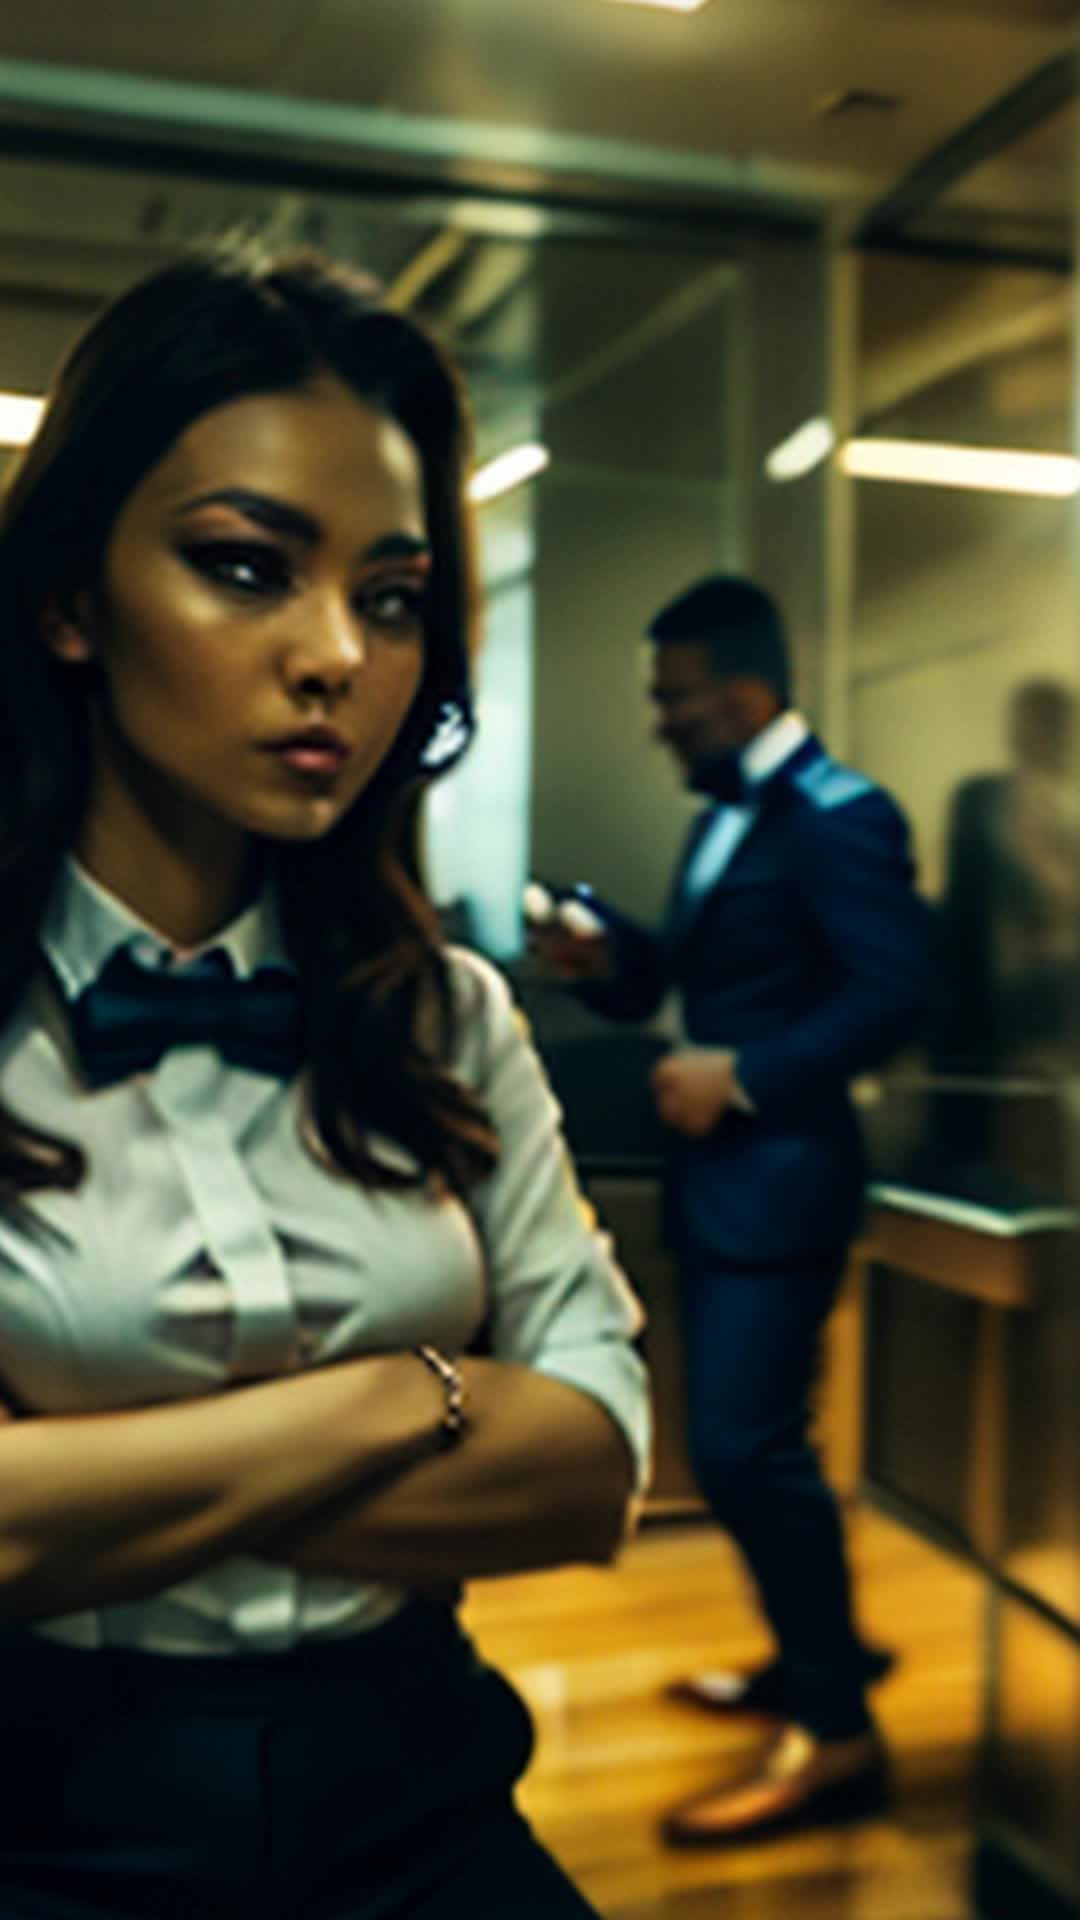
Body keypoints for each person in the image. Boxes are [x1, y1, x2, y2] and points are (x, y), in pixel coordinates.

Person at [0, 248, 650, 1919]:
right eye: (245, 568)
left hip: (420, 1786)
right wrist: (408, 1394)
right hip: (43, 1813)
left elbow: (591, 1463)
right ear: (69, 598)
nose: (338, 659)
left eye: (392, 595)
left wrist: (88, 1478)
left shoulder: (447, 1016)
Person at [535, 575, 931, 1846]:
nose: (661, 723)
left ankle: (838, 1735)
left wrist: (747, 1076)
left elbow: (892, 996)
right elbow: (722, 977)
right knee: (750, 1451)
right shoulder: (733, 813)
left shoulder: (837, 814)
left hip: (782, 1187)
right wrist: (614, 966)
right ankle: (810, 1662)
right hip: (730, 1188)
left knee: (749, 1451)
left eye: (675, 698)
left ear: (745, 690)